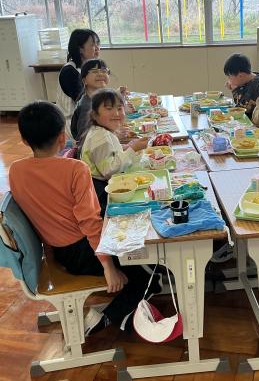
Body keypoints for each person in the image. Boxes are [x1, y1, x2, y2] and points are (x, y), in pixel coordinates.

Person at [9, 100, 152, 336]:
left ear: (24, 140)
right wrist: (108, 266)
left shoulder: (15, 170)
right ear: (62, 137)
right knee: (149, 269)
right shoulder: (75, 169)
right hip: (83, 252)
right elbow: (89, 222)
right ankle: (105, 319)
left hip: (57, 250)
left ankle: (124, 307)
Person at [80, 89, 149, 215]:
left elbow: (110, 153)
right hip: (101, 194)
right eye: (109, 108)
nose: (116, 113)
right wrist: (132, 149)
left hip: (104, 186)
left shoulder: (101, 131)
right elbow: (109, 170)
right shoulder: (101, 137)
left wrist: (126, 147)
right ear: (95, 115)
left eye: (119, 108)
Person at [57, 29, 100, 138]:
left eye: (98, 43)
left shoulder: (86, 69)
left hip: (86, 119)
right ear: (80, 49)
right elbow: (87, 101)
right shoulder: (70, 72)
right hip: (74, 126)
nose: (97, 48)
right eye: (93, 44)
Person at [70, 59, 110, 142]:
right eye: (95, 71)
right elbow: (83, 139)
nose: (100, 74)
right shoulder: (87, 106)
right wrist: (113, 135)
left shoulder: (96, 100)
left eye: (104, 71)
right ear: (84, 80)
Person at [224, 53, 259, 118]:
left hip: (253, 121)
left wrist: (234, 89)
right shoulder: (249, 78)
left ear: (240, 76)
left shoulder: (255, 86)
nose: (229, 80)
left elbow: (240, 110)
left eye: (229, 77)